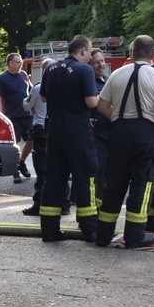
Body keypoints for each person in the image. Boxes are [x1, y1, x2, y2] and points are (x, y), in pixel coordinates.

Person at [94, 35, 154, 249]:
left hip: (119, 134)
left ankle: (103, 235)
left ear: (131, 53)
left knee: (114, 185)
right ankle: (135, 236)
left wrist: (117, 118)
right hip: (145, 135)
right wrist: (153, 123)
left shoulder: (117, 74)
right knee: (142, 184)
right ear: (153, 55)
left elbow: (101, 105)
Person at [38, 35, 99, 243]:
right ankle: (90, 230)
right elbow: (91, 102)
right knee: (85, 177)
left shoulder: (51, 69)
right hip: (78, 130)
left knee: (53, 179)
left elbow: (44, 97)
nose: (91, 56)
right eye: (90, 52)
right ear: (82, 51)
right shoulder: (85, 70)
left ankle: (49, 230)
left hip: (54, 129)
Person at [21, 59, 71, 216]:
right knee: (61, 168)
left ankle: (39, 203)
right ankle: (64, 203)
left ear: (43, 71)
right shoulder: (66, 86)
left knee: (42, 170)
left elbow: (26, 106)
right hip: (60, 130)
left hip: (41, 132)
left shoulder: (38, 88)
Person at [0, 53, 33, 184]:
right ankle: (15, 171)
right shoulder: (2, 78)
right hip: (12, 117)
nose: (21, 63)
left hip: (27, 115)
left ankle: (21, 163)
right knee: (14, 146)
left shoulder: (23, 75)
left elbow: (31, 91)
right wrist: (0, 117)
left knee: (32, 141)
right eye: (18, 61)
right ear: (10, 63)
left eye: (21, 61)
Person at [88, 47, 112, 204]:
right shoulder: (88, 82)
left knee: (110, 173)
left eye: (102, 61)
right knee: (98, 172)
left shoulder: (109, 80)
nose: (101, 64)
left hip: (111, 134)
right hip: (95, 135)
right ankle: (94, 209)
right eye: (96, 62)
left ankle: (104, 205)